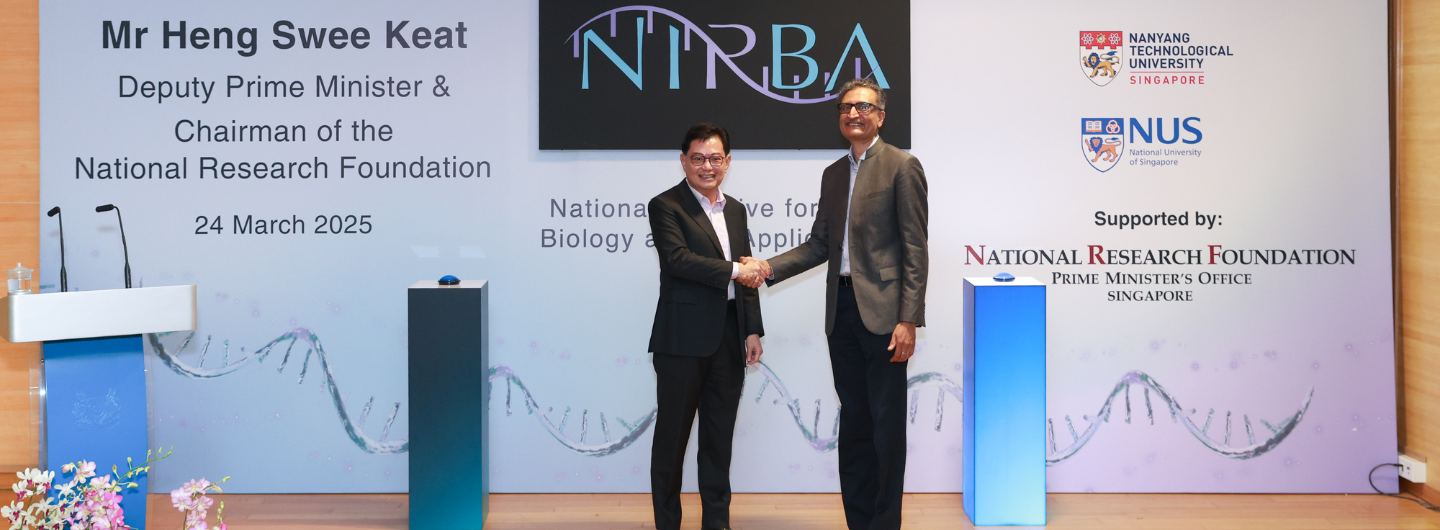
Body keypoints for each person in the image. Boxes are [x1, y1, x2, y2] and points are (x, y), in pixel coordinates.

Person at [745, 79, 928, 530]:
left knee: (886, 428)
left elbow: (915, 249)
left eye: (864, 107)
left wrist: (909, 319)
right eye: (846, 107)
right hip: (841, 312)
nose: (853, 114)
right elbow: (819, 245)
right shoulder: (832, 173)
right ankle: (859, 521)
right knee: (855, 423)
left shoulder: (902, 166)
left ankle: (885, 523)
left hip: (886, 316)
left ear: (880, 116)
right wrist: (768, 267)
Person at [647, 123, 767, 530]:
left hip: (730, 340)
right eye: (697, 158)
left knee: (718, 444)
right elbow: (678, 261)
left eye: (715, 158)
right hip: (681, 341)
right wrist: (737, 269)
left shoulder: (735, 209)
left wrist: (752, 329)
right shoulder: (665, 205)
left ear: (728, 162)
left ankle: (717, 524)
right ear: (683, 161)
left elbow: (747, 274)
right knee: (671, 443)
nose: (707, 166)